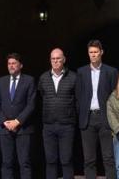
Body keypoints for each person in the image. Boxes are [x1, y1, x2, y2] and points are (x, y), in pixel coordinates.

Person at [79, 40, 119, 179]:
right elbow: (79, 96)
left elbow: (115, 96)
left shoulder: (111, 71)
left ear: (101, 52)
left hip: (105, 118)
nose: (93, 55)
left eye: (96, 52)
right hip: (88, 118)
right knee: (89, 159)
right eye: (91, 52)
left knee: (108, 157)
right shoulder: (81, 72)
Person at [0, 52, 36, 179]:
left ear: (20, 65)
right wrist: (4, 122)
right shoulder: (0, 82)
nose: (11, 66)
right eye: (9, 63)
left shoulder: (29, 80)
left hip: (23, 129)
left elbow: (31, 105)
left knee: (25, 163)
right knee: (6, 163)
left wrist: (18, 121)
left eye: (14, 63)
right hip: (5, 129)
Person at [37, 48, 79, 179]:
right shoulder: (43, 78)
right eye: (53, 59)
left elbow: (77, 100)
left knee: (66, 160)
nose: (55, 61)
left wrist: (71, 116)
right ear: (50, 60)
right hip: (49, 126)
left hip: (66, 126)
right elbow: (40, 98)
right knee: (50, 160)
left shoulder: (73, 77)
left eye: (58, 58)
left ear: (64, 60)